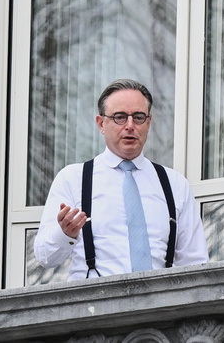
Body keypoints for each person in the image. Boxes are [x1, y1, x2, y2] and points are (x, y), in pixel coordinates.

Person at [34, 79, 209, 279]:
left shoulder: (175, 184)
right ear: (101, 123)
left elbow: (195, 265)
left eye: (138, 117)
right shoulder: (73, 179)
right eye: (119, 117)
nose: (130, 126)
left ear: (148, 122)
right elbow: (45, 257)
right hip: (94, 305)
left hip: (162, 306)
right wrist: (65, 234)